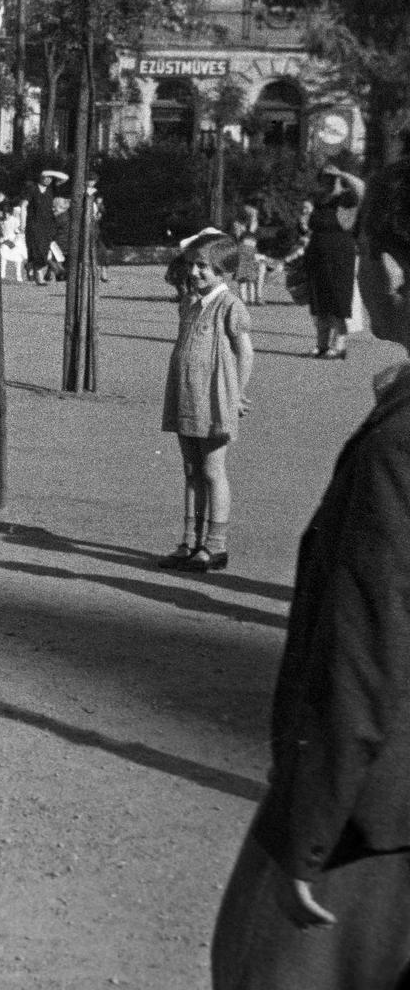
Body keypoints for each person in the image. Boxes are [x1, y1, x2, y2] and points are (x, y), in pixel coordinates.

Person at [210, 159, 410, 989]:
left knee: (262, 966)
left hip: (374, 822)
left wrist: (308, 832)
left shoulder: (402, 446)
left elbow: (366, 651)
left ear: (391, 268)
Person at [157, 234, 254, 573]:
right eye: (193, 265)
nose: (196, 272)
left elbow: (245, 352)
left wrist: (237, 393)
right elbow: (176, 275)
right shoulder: (190, 302)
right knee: (190, 470)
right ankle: (189, 540)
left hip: (214, 400)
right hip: (186, 394)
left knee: (213, 469)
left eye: (204, 267)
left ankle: (216, 545)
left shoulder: (229, 305)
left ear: (225, 271)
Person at [303, 162, 365, 358]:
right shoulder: (319, 199)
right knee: (319, 301)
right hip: (318, 254)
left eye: (331, 178)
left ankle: (339, 345)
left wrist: (343, 173)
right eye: (324, 178)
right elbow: (308, 226)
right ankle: (321, 345)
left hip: (340, 256)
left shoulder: (346, 197)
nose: (327, 181)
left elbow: (363, 189)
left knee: (338, 300)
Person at [25, 170, 64, 284]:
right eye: (45, 177)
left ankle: (30, 266)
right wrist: (22, 223)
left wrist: (51, 172)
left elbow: (65, 178)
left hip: (48, 225)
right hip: (34, 224)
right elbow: (24, 205)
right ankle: (39, 278)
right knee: (39, 251)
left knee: (45, 251)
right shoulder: (32, 189)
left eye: (50, 178)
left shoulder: (52, 190)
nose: (48, 179)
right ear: (40, 177)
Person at [0, 192, 28, 283]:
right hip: (5, 241)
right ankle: (2, 275)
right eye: (4, 213)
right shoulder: (2, 222)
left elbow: (18, 231)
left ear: (10, 213)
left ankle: (18, 276)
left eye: (7, 213)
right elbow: (0, 232)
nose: (5, 215)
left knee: (18, 259)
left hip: (15, 241)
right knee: (2, 255)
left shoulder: (14, 220)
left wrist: (15, 238)